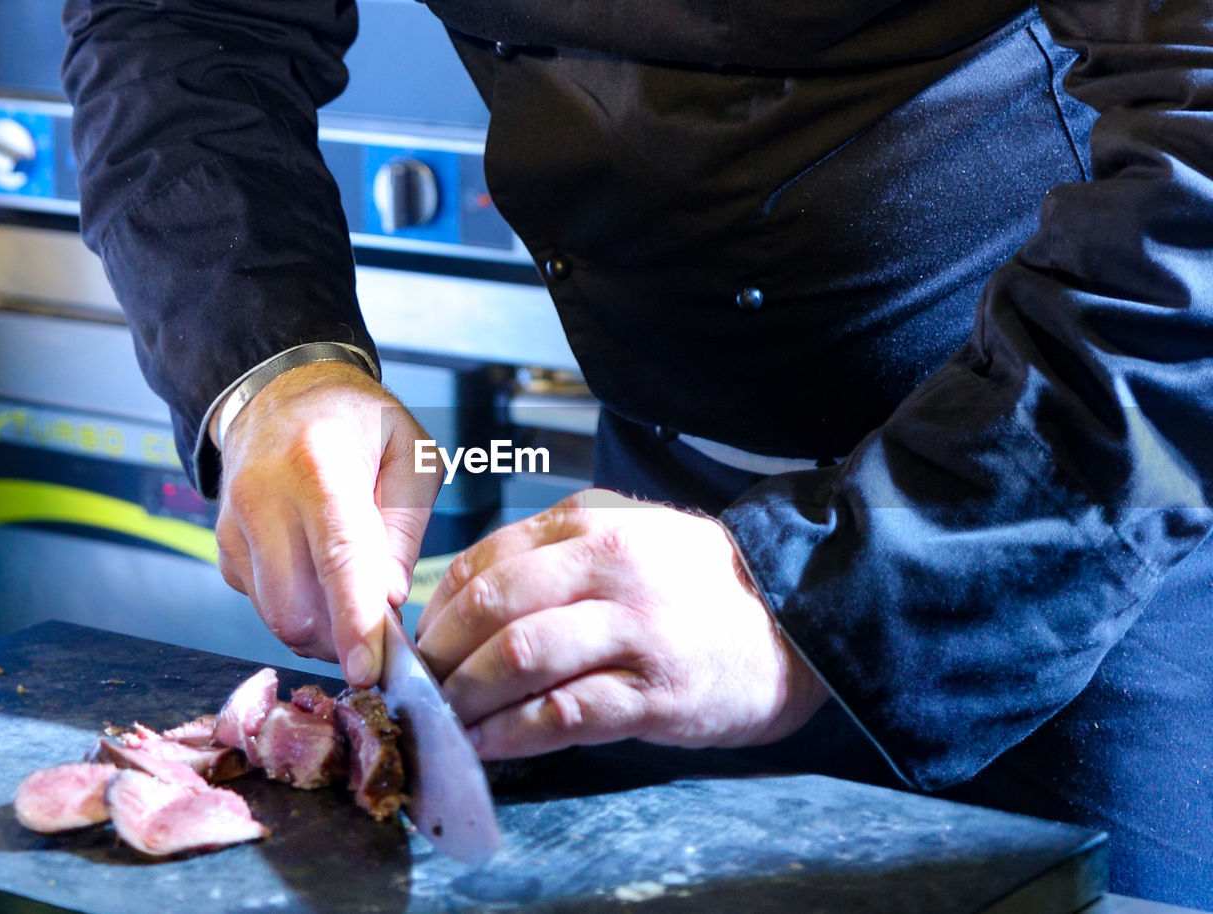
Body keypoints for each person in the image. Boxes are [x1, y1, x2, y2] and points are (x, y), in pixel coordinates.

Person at [61, 0, 1213, 904]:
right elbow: (188, 20)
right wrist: (270, 368)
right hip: (647, 529)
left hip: (1060, 516)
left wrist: (819, 592)